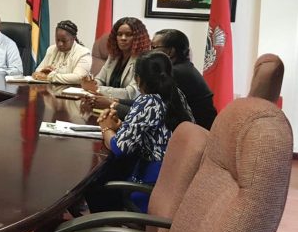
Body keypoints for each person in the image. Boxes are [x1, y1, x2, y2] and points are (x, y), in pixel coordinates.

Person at [88, 51, 194, 213]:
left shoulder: (148, 101)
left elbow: (119, 148)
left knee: (95, 183)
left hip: (150, 183)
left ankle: (104, 231)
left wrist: (106, 127)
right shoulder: (177, 94)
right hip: (173, 178)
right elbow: (154, 130)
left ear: (138, 79)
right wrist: (120, 125)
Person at [92, 29, 218, 130]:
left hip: (194, 136)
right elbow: (147, 103)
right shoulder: (183, 68)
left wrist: (112, 104)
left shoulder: (174, 73)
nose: (149, 51)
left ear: (170, 51)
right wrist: (117, 100)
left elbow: (148, 112)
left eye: (154, 47)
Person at [81, 17, 150, 99]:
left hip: (127, 108)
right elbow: (100, 79)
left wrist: (97, 89)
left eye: (128, 34)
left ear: (138, 38)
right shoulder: (113, 56)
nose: (123, 38)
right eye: (119, 34)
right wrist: (91, 83)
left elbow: (131, 93)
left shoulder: (144, 61)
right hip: (105, 102)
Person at [31, 20, 91, 84]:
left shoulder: (84, 53)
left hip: (71, 92)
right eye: (57, 40)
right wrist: (43, 71)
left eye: (64, 41)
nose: (60, 44)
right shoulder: (51, 49)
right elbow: (37, 71)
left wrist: (50, 77)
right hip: (51, 91)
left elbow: (78, 77)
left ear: (73, 38)